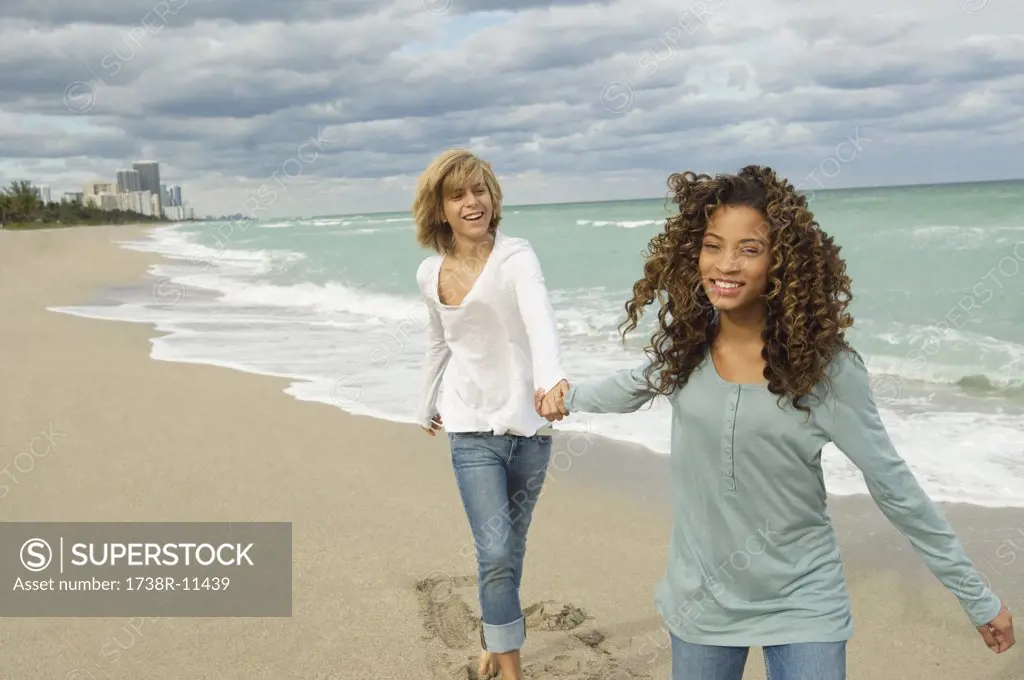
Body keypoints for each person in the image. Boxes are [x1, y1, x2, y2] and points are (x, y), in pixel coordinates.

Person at [535, 165, 1015, 679]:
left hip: (804, 600)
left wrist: (975, 595)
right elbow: (627, 388)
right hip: (703, 601)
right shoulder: (684, 355)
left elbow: (894, 487)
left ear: (781, 263)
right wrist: (564, 397)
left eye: (749, 249)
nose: (725, 264)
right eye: (713, 245)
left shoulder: (824, 371)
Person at [412, 148, 566, 680]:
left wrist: (551, 381)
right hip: (468, 426)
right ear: (440, 209)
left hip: (528, 427)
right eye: (457, 195)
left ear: (493, 198)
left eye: (479, 191)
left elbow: (540, 319)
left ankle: (494, 640)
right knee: (496, 549)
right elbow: (438, 342)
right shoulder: (429, 274)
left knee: (510, 549)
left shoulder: (517, 256)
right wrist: (425, 401)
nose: (471, 202)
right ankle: (513, 671)